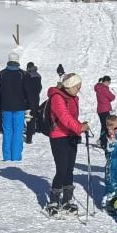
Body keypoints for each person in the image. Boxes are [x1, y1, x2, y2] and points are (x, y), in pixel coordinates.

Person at [45, 73, 90, 215]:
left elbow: (71, 118)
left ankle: (67, 199)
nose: (79, 89)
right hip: (58, 136)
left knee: (69, 169)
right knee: (62, 169)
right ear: (69, 86)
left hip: (71, 136)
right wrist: (78, 127)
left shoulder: (73, 97)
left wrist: (79, 125)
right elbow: (64, 117)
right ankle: (53, 200)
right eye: (77, 87)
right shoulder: (57, 97)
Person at [0, 52, 28, 161]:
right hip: (19, 108)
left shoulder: (2, 74)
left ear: (8, 60)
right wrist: (28, 105)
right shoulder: (23, 74)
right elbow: (28, 91)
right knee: (18, 133)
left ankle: (7, 158)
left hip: (6, 108)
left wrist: (1, 104)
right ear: (17, 61)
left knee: (7, 132)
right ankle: (16, 157)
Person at [23, 62, 43, 142]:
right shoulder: (38, 75)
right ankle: (33, 130)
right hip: (36, 99)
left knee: (28, 117)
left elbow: (25, 88)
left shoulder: (27, 75)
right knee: (33, 116)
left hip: (28, 99)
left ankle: (29, 138)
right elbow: (40, 87)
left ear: (28, 67)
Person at [94, 76, 116, 151]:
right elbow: (112, 97)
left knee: (104, 125)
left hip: (100, 109)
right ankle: (103, 142)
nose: (109, 84)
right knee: (106, 126)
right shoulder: (104, 88)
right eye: (109, 82)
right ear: (106, 81)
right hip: (105, 109)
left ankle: (102, 140)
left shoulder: (98, 88)